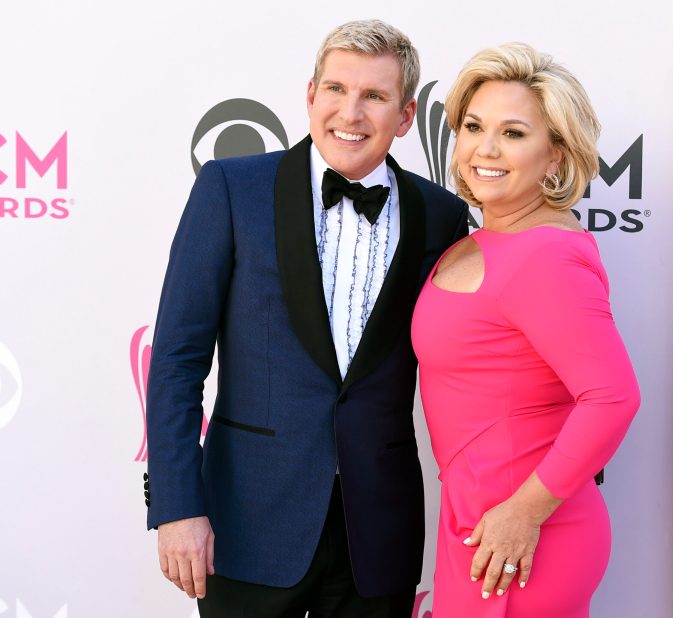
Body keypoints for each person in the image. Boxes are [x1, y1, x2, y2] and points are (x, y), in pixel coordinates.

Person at [143, 19, 468, 618]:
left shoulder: (441, 214)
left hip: (379, 535)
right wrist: (176, 505)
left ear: (404, 116)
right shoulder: (231, 188)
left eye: (374, 96)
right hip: (246, 526)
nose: (351, 111)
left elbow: (469, 365)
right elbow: (176, 360)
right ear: (310, 94)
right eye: (337, 89)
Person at [411, 43, 641, 617]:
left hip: (522, 536)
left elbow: (613, 397)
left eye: (513, 133)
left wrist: (524, 514)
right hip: (477, 523)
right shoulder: (479, 241)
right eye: (473, 126)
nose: (485, 149)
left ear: (556, 156)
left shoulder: (545, 256)